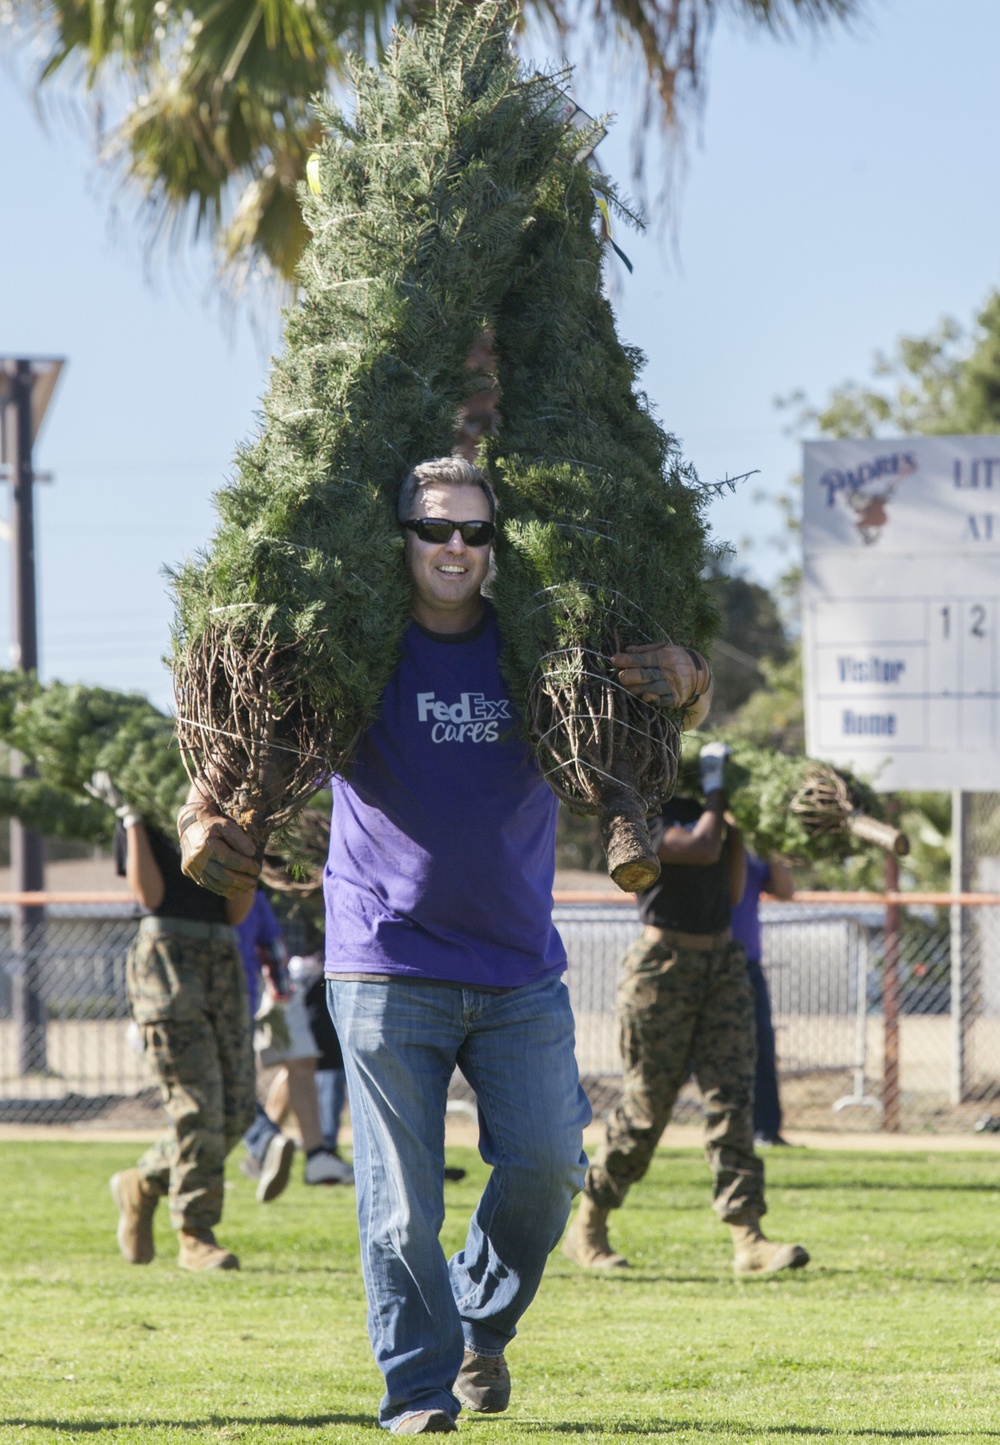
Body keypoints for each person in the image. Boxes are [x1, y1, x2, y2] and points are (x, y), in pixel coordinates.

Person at [177, 456, 712, 1433]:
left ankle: (480, 1318)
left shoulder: (540, 651)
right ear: (403, 538)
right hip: (384, 960)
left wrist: (691, 681)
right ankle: (418, 1392)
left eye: (474, 530)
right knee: (396, 1204)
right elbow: (244, 725)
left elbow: (654, 710)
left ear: (497, 544)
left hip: (518, 964)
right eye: (434, 529)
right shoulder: (355, 649)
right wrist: (198, 812)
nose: (455, 546)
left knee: (550, 1165)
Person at [564, 742, 810, 1278]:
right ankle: (589, 1224)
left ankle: (749, 1237)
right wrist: (721, 798)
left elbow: (734, 886)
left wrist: (740, 821)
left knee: (733, 1101)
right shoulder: (639, 813)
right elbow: (697, 850)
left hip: (722, 963)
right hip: (662, 969)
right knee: (648, 1108)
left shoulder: (712, 813)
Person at [97, 777, 255, 1272]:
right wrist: (132, 818)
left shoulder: (227, 805)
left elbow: (234, 912)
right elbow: (150, 894)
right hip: (166, 959)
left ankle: (142, 1181)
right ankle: (195, 1233)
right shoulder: (145, 796)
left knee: (238, 1109)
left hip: (221, 958)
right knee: (199, 1106)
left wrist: (256, 837)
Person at [236, 887, 298, 1203]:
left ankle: (264, 1142)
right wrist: (281, 994)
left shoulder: (196, 879)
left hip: (193, 998)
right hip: (241, 1000)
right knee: (234, 1083)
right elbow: (272, 945)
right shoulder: (249, 888)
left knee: (212, 1089)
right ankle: (263, 1148)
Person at [732, 852, 796, 1147]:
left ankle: (766, 1131)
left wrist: (771, 846)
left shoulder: (751, 853)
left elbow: (784, 891)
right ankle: (645, 1130)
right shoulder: (697, 836)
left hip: (748, 965)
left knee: (762, 1046)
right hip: (704, 960)